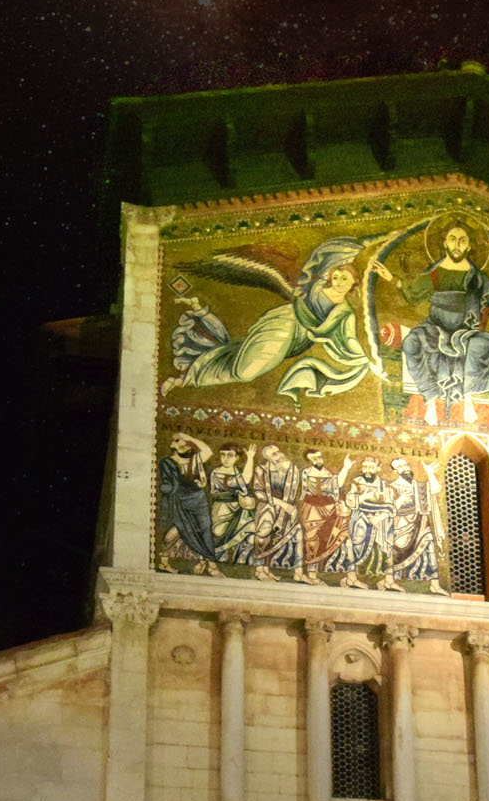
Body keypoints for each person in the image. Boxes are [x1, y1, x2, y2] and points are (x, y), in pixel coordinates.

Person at [172, 239, 375, 400]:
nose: (338, 281)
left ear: (353, 284)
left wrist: (369, 360)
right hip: (285, 324)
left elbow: (349, 340)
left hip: (300, 341)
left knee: (244, 362)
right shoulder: (312, 288)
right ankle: (193, 376)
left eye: (344, 279)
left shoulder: (344, 312)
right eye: (337, 276)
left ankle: (191, 374)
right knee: (246, 372)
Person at [393, 222, 489, 421]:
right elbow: (413, 293)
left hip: (467, 329)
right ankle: (430, 398)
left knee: (481, 346)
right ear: (445, 244)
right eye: (453, 239)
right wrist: (392, 279)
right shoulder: (435, 272)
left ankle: (468, 399)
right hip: (435, 325)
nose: (457, 244)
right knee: (411, 343)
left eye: (462, 240)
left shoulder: (477, 278)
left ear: (468, 247)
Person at [322, 456, 396, 589]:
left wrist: (379, 518)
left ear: (377, 469)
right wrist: (364, 497)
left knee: (382, 544)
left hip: (379, 519)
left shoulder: (384, 485)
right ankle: (351, 577)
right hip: (359, 515)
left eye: (371, 467)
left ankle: (380, 579)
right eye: (365, 467)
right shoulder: (356, 482)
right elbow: (350, 500)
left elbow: (391, 505)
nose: (368, 470)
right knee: (357, 540)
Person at [158, 432, 222, 573]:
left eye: (188, 444)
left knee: (205, 529)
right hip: (179, 500)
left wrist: (189, 437)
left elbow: (208, 451)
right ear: (174, 445)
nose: (186, 445)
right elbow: (167, 485)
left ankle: (209, 563)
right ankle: (163, 560)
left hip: (198, 500)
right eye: (181, 443)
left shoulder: (195, 460)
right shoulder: (168, 462)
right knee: (177, 529)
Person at [242, 444, 302, 581]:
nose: (279, 454)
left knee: (275, 538)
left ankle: (266, 569)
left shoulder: (291, 470)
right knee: (263, 533)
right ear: (268, 459)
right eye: (274, 454)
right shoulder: (262, 470)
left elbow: (293, 493)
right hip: (267, 506)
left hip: (285, 508)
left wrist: (288, 507)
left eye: (278, 451)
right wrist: (281, 504)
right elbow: (258, 492)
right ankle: (259, 569)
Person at [383, 457, 443, 587]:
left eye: (405, 465)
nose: (405, 468)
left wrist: (430, 473)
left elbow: (435, 489)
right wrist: (401, 500)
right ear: (395, 472)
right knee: (396, 550)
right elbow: (388, 508)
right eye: (400, 467)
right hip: (400, 525)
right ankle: (390, 581)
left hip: (420, 523)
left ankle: (434, 584)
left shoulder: (419, 486)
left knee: (428, 542)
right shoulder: (391, 487)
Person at [295, 447, 347, 585]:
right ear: (309, 460)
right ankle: (311, 574)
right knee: (312, 539)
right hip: (311, 508)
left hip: (328, 508)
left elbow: (338, 484)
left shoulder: (328, 473)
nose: (318, 460)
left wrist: (346, 467)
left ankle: (319, 572)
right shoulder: (306, 473)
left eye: (319, 457)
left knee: (329, 537)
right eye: (314, 458)